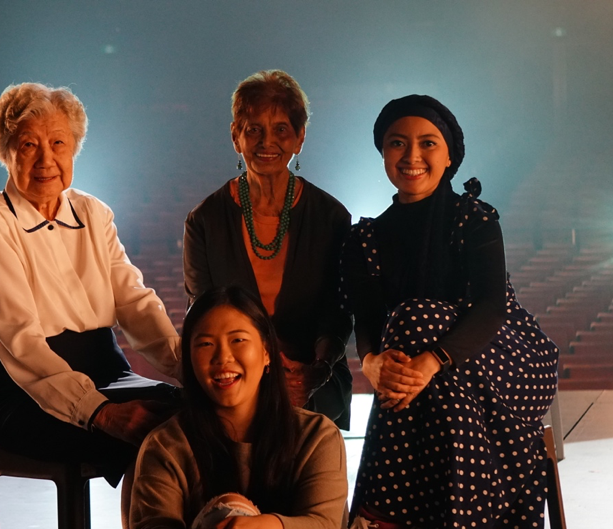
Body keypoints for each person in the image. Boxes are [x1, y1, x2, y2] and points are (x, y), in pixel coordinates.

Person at [0, 82, 181, 521]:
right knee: (151, 433)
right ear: (5, 152)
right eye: (28, 145)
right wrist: (98, 412)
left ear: (75, 149)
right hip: (16, 389)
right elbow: (21, 343)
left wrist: (190, 370)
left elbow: (136, 302)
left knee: (196, 413)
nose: (46, 159)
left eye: (58, 143)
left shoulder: (94, 213)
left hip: (105, 368)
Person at [341, 94, 559, 528]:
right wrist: (372, 363)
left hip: (507, 359)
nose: (412, 155)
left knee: (412, 318)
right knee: (428, 374)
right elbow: (364, 319)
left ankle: (384, 515)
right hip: (436, 387)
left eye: (428, 143)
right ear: (383, 152)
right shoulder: (365, 237)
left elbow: (492, 309)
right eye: (397, 143)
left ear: (449, 156)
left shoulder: (473, 217)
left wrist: (431, 361)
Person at [183, 69, 353, 429]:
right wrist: (263, 368)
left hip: (313, 378)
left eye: (280, 129)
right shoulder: (205, 220)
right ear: (236, 136)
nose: (266, 141)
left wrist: (314, 372)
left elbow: (337, 313)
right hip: (232, 376)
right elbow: (204, 312)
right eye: (254, 129)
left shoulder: (332, 217)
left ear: (299, 138)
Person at [130, 286, 348, 529]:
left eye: (238, 340)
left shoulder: (317, 436)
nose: (223, 357)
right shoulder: (165, 446)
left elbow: (324, 523)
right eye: (205, 344)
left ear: (267, 352)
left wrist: (265, 526)